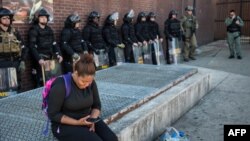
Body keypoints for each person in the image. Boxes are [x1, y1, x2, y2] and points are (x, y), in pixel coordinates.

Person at [48, 54, 118, 141]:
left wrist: (92, 120)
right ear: (76, 73)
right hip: (65, 124)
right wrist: (77, 123)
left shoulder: (90, 83)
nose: (86, 85)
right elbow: (53, 114)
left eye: (89, 81)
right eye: (83, 81)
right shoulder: (60, 85)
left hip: (86, 119)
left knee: (112, 139)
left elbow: (97, 105)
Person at [29, 8, 63, 87]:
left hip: (50, 59)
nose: (44, 18)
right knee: (40, 82)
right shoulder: (34, 30)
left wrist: (59, 54)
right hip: (40, 60)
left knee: (51, 80)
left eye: (45, 17)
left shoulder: (49, 29)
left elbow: (54, 44)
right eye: (41, 17)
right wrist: (38, 58)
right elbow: (32, 46)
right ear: (38, 18)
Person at [0, 7, 28, 93]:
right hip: (1, 64)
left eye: (8, 18)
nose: (7, 20)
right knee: (2, 90)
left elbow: (24, 47)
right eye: (4, 18)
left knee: (16, 87)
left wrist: (22, 61)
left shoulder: (15, 32)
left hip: (14, 63)